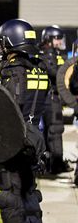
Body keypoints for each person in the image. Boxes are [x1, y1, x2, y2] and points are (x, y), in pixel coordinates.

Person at [0, 19, 48, 223]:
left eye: (3, 42)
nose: (0, 47)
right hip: (35, 138)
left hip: (16, 140)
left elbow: (9, 109)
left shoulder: (14, 70)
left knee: (10, 196)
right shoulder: (40, 67)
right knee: (29, 194)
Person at [39, 26, 69, 175]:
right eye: (57, 38)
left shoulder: (46, 54)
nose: (60, 41)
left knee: (47, 133)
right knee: (55, 131)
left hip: (46, 98)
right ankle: (56, 164)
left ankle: (48, 163)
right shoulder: (49, 55)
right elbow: (55, 74)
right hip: (51, 98)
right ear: (48, 40)